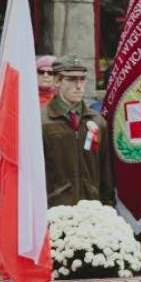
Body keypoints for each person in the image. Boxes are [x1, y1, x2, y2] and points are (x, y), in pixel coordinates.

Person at [41, 57, 112, 208]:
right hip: (54, 207)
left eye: (82, 79)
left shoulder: (97, 121)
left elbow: (106, 172)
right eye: (72, 79)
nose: (79, 86)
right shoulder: (42, 122)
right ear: (57, 81)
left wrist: (107, 206)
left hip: (93, 208)